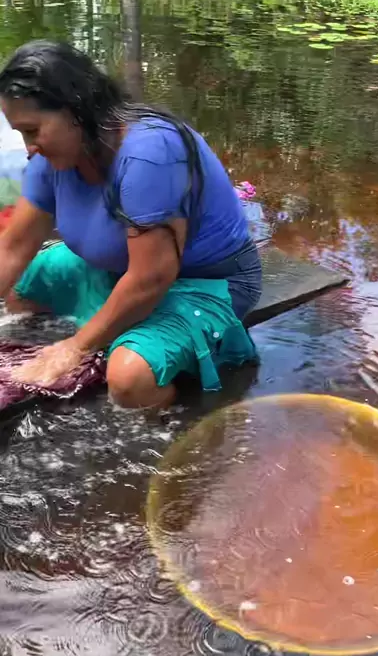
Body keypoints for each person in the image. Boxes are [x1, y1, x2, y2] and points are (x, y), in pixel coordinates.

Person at [0, 40, 262, 408]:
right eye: (20, 134)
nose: (28, 148)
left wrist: (74, 348)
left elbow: (151, 278)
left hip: (205, 281)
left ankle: (185, 407)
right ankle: (112, 330)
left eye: (32, 131)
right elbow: (13, 248)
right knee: (21, 289)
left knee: (128, 379)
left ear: (75, 111)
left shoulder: (150, 153)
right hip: (120, 266)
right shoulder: (53, 159)